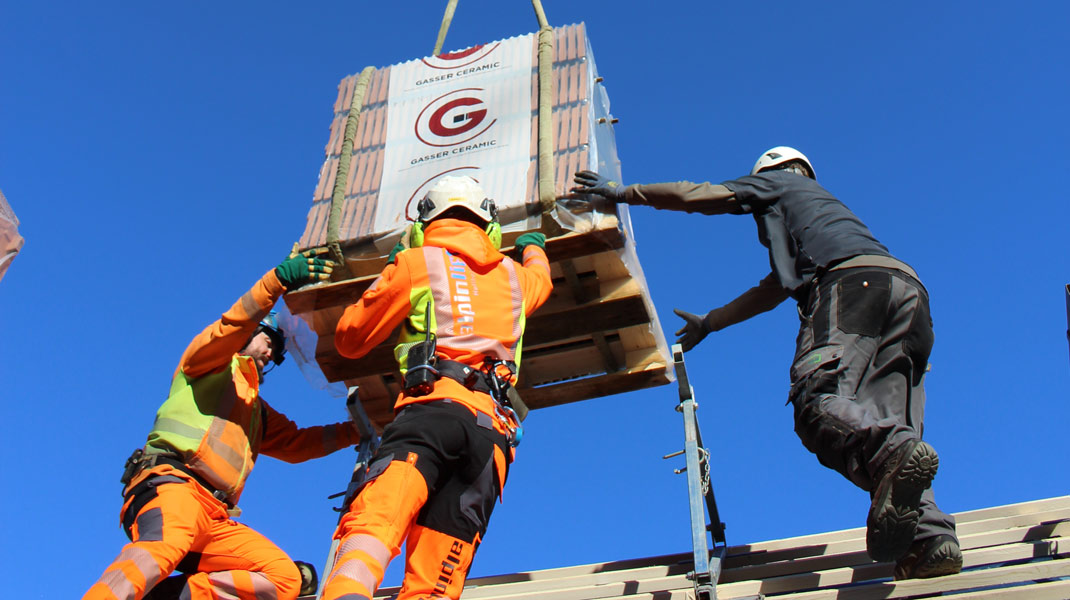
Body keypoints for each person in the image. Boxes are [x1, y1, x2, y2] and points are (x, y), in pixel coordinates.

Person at [569, 147, 962, 580]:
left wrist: (622, 192)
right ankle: (931, 542)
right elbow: (775, 286)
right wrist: (712, 322)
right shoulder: (819, 221)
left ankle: (902, 469)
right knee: (886, 438)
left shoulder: (780, 183)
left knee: (819, 402)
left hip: (851, 289)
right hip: (907, 294)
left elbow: (697, 195)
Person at [321, 175, 553, 600]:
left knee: (377, 519)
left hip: (432, 414)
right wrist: (534, 247)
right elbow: (543, 279)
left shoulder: (418, 262)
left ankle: (346, 592)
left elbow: (349, 339)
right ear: (491, 228)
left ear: (422, 224)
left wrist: (394, 267)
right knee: (436, 580)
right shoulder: (517, 277)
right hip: (492, 437)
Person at [85, 249, 362, 600]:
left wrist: (357, 430)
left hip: (215, 517)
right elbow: (233, 325)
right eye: (269, 341)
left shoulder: (255, 409)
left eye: (276, 353)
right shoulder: (209, 364)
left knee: (284, 579)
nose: (270, 354)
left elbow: (298, 444)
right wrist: (275, 282)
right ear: (251, 335)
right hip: (174, 486)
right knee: (160, 549)